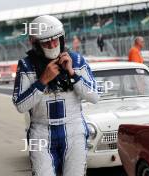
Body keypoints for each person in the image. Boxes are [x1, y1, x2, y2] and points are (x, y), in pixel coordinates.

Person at [12, 15, 99, 176]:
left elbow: (94, 97)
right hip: (40, 132)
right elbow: (20, 105)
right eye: (46, 42)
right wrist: (43, 80)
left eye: (56, 40)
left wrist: (72, 73)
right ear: (35, 43)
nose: (52, 45)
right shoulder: (26, 65)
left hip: (74, 130)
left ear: (62, 38)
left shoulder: (76, 60)